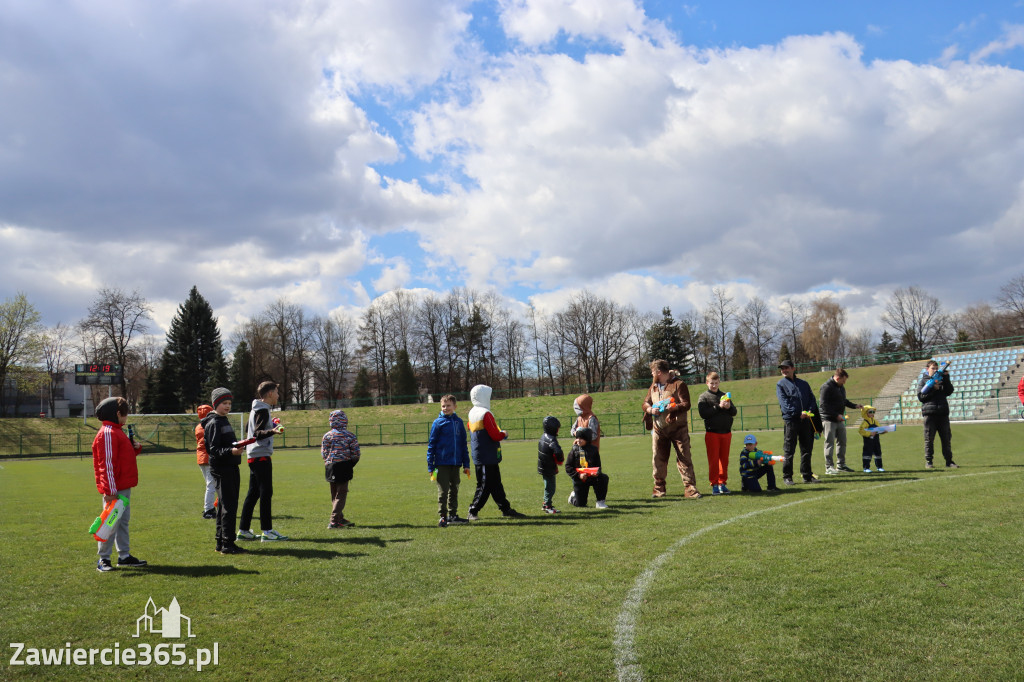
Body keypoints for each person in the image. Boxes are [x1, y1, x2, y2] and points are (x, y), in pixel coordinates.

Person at [92, 396, 147, 572]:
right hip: (115, 488)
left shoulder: (116, 431)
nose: (126, 417)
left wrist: (135, 447)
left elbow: (124, 458)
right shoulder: (108, 432)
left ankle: (124, 556)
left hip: (122, 486)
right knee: (110, 523)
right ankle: (104, 559)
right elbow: (107, 464)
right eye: (125, 414)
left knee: (122, 522)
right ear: (117, 413)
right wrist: (110, 490)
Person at [643, 359, 701, 499]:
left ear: (658, 372)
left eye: (652, 372)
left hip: (678, 429)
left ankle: (690, 488)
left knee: (684, 457)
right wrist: (650, 410)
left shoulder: (678, 384)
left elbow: (686, 404)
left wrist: (675, 407)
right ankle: (659, 488)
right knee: (658, 459)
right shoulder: (654, 386)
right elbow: (645, 403)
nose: (652, 375)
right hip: (659, 429)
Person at [467, 384, 526, 520]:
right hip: (487, 456)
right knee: (485, 485)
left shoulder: (472, 412)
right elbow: (494, 435)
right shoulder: (485, 413)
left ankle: (505, 508)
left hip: (481, 454)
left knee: (495, 484)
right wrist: (504, 434)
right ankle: (473, 510)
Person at [237, 381, 286, 543]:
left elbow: (248, 429)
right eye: (277, 392)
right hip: (261, 456)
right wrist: (272, 430)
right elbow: (257, 433)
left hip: (253, 456)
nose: (278, 395)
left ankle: (243, 531)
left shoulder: (256, 409)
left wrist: (272, 424)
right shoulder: (263, 409)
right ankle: (267, 531)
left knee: (254, 493)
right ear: (270, 394)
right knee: (266, 493)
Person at [203, 388, 248, 554]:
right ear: (216, 404)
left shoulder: (223, 420)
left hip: (230, 466)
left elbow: (225, 443)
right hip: (223, 468)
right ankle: (228, 544)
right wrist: (231, 451)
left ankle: (221, 542)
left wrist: (237, 445)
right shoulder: (215, 422)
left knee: (224, 505)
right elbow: (213, 449)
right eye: (224, 403)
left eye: (229, 403)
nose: (228, 406)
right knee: (229, 506)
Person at [776, 359, 823, 485]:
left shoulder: (804, 384)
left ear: (793, 368)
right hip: (791, 421)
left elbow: (812, 400)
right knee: (789, 450)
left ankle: (807, 475)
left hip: (806, 421)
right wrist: (798, 414)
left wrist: (808, 411)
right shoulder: (781, 385)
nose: (784, 370)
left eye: (786, 368)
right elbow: (784, 404)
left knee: (807, 449)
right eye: (782, 368)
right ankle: (787, 476)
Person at [427, 395, 471, 527]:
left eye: (448, 406)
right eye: (443, 406)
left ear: (455, 406)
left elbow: (463, 445)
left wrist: (466, 464)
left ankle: (453, 515)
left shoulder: (459, 423)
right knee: (443, 491)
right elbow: (431, 445)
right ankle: (443, 516)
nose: (445, 408)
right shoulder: (437, 423)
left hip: (456, 464)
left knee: (454, 489)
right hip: (441, 464)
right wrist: (431, 466)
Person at [697, 371, 737, 495]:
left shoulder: (725, 395)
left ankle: (722, 483)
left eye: (716, 383)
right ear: (707, 383)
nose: (714, 385)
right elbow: (703, 414)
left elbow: (734, 412)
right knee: (713, 460)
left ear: (719, 382)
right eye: (711, 383)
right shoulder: (704, 397)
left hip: (726, 433)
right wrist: (719, 407)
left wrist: (729, 406)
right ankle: (714, 484)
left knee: (724, 460)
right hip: (712, 433)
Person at [819, 368, 862, 475]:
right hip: (828, 420)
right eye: (843, 380)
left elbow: (844, 401)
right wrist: (835, 415)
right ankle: (829, 467)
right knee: (829, 443)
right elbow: (823, 406)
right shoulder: (826, 387)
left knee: (842, 442)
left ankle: (841, 465)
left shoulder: (841, 387)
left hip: (839, 420)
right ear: (837, 378)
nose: (844, 383)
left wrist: (855, 406)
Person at [322, 409, 361, 528]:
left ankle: (340, 517)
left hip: (330, 466)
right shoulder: (349, 435)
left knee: (334, 494)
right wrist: (350, 464)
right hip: (344, 465)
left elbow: (324, 453)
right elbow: (356, 454)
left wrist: (328, 463)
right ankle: (334, 521)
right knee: (341, 493)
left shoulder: (327, 435)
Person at [918, 360, 958, 469]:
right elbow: (921, 397)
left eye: (936, 368)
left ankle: (949, 461)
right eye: (933, 368)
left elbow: (949, 391)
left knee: (946, 439)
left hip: (943, 414)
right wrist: (932, 389)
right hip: (929, 414)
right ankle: (929, 461)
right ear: (927, 369)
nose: (935, 370)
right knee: (929, 439)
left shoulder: (941, 379)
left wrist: (946, 378)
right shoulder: (923, 381)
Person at [565, 427, 609, 508]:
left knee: (603, 478)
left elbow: (598, 466)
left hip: (592, 477)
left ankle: (600, 502)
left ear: (587, 439)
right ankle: (573, 497)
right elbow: (568, 467)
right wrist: (579, 475)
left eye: (581, 438)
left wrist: (596, 473)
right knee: (581, 504)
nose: (578, 440)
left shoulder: (594, 450)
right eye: (577, 438)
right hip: (580, 479)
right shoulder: (574, 450)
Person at [537, 416, 565, 514]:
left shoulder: (543, 436)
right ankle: (547, 506)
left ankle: (546, 504)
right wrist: (560, 458)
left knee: (547, 486)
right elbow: (558, 451)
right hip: (548, 467)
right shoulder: (552, 439)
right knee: (550, 488)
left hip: (543, 465)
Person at [195, 404, 217, 519]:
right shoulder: (209, 425)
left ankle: (213, 506)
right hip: (208, 457)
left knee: (211, 484)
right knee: (211, 485)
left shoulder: (198, 426)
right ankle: (208, 509)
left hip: (200, 457)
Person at [857, 405, 885, 473]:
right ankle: (866, 468)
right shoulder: (865, 423)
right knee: (867, 453)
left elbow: (878, 428)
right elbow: (861, 431)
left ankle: (879, 467)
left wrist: (883, 431)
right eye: (870, 412)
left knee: (878, 452)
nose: (872, 413)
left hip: (876, 440)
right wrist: (869, 433)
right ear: (865, 413)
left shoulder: (875, 421)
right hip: (868, 441)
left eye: (873, 412)